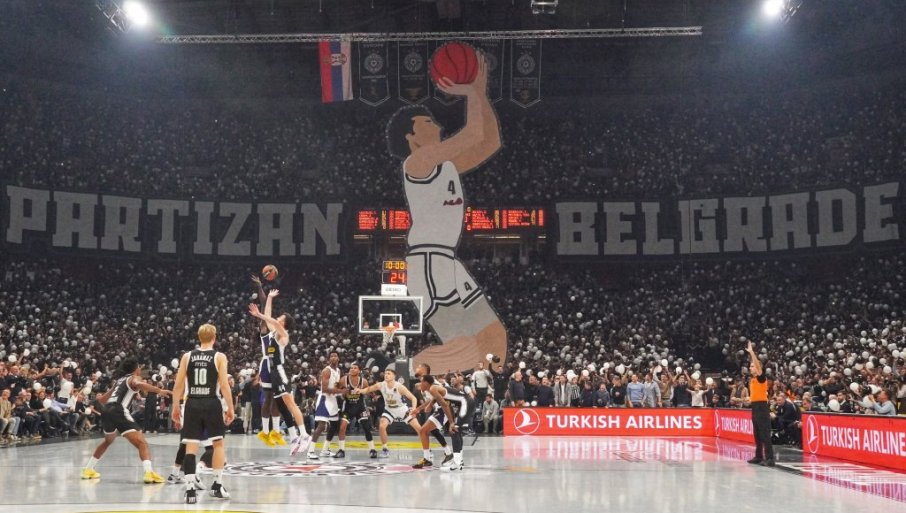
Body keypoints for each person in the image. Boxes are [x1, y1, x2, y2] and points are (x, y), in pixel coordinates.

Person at [386, 51, 505, 373]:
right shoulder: (417, 162)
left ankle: (473, 397)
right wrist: (471, 92)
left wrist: (479, 94)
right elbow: (472, 134)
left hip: (445, 259)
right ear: (411, 137)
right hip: (428, 261)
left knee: (495, 342)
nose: (437, 124)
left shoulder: (445, 165)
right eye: (427, 122)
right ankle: (394, 372)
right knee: (466, 349)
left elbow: (490, 141)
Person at [171, 324, 235, 504]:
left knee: (191, 448)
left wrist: (175, 407)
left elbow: (178, 385)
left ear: (199, 338)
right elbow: (224, 385)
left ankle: (190, 490)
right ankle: (217, 486)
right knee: (218, 445)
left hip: (192, 402)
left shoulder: (187, 356)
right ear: (214, 338)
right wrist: (230, 408)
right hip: (212, 402)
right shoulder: (219, 357)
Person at [80, 358, 172, 482]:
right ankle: (149, 473)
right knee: (142, 443)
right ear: (136, 369)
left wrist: (93, 403)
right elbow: (139, 384)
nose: (140, 369)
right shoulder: (133, 378)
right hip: (118, 410)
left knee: (108, 440)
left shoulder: (119, 380)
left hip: (106, 410)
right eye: (139, 367)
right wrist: (159, 390)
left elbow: (103, 399)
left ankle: (88, 469)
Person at [249, 291, 312, 456]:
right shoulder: (273, 332)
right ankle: (294, 438)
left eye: (281, 319)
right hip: (273, 373)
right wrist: (269, 298)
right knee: (283, 407)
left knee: (291, 404)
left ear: (284, 324)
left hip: (280, 371)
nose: (277, 319)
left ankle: (305, 435)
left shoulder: (284, 335)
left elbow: (271, 320)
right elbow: (269, 317)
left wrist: (259, 315)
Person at [353, 368, 421, 458]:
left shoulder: (399, 386)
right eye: (385, 373)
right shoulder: (381, 385)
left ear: (394, 376)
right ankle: (385, 449)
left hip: (401, 409)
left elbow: (413, 398)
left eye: (389, 373)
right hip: (389, 409)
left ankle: (427, 449)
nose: (386, 375)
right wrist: (360, 390)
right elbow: (368, 389)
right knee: (382, 426)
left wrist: (414, 408)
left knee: (419, 428)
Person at [412, 374, 459, 469]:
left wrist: (451, 422)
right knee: (427, 431)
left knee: (423, 431)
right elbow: (430, 400)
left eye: (421, 381)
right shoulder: (428, 388)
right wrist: (418, 409)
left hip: (444, 410)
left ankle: (428, 459)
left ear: (426, 382)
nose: (420, 383)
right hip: (439, 410)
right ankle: (446, 453)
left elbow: (444, 403)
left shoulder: (434, 386)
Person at [335, 362, 377, 459]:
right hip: (348, 407)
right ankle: (341, 450)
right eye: (351, 368)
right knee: (342, 427)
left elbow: (369, 391)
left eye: (355, 368)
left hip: (360, 407)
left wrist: (374, 397)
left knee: (366, 427)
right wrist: (341, 391)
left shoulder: (364, 381)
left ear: (359, 371)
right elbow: (336, 388)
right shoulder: (344, 379)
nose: (352, 369)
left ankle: (372, 450)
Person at [308, 351, 344, 459]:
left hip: (333, 399)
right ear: (329, 359)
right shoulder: (326, 371)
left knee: (334, 425)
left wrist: (340, 392)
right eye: (331, 356)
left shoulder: (338, 370)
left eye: (335, 356)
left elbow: (336, 386)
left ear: (338, 358)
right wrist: (341, 391)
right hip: (324, 399)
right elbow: (324, 389)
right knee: (321, 426)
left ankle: (325, 450)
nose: (333, 357)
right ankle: (310, 451)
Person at [745, 341, 774, 466]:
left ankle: (770, 458)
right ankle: (758, 456)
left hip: (762, 407)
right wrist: (748, 399)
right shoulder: (752, 380)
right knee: (757, 434)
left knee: (765, 434)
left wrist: (752, 353)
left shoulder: (761, 378)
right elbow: (755, 395)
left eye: (752, 366)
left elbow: (758, 366)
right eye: (750, 366)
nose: (750, 368)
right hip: (755, 407)